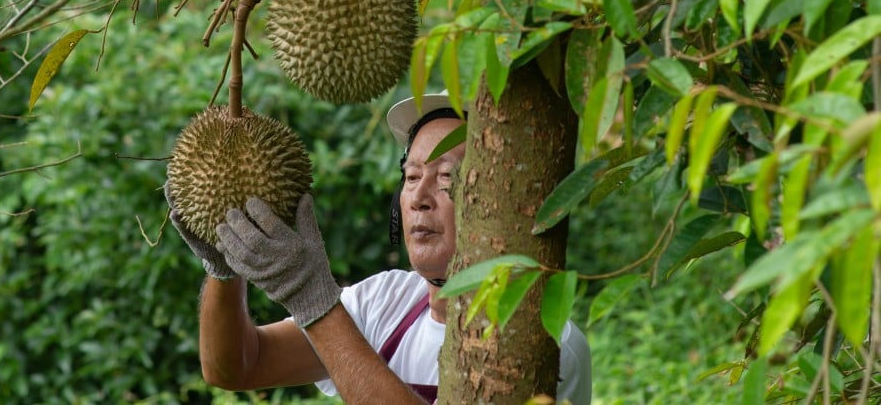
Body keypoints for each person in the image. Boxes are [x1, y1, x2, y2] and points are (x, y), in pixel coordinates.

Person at [165, 92, 592, 404]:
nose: (420, 196)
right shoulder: (385, 301)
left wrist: (314, 300)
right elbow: (236, 366)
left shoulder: (542, 339)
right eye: (410, 176)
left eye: (448, 179)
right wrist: (225, 270)